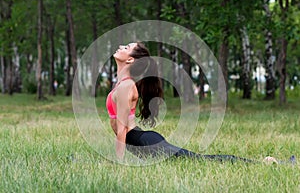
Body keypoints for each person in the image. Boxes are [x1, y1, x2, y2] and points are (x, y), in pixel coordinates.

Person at [106, 42, 282, 164]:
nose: (121, 47)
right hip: (142, 141)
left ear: (130, 60)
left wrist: (119, 163)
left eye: (126, 47)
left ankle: (263, 162)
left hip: (146, 142)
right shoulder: (123, 84)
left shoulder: (126, 86)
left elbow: (122, 130)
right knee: (198, 159)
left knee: (202, 160)